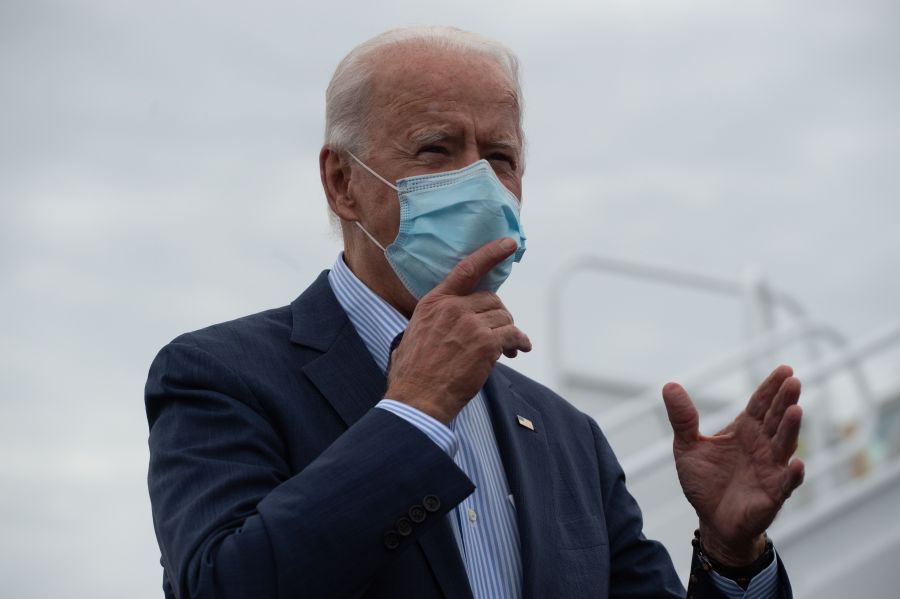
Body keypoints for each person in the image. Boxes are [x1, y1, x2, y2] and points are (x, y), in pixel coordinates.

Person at [145, 26, 805, 599]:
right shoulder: (219, 375)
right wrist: (412, 414)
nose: (481, 183)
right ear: (343, 183)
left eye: (500, 157)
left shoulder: (568, 436)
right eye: (437, 147)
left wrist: (730, 555)